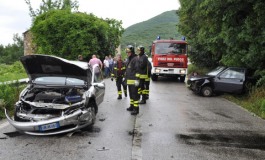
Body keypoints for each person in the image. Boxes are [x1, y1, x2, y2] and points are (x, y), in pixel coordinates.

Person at [125, 45, 140, 115]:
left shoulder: (135, 59)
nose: (127, 53)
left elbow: (137, 70)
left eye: (129, 52)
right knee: (131, 95)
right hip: (129, 80)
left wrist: (137, 79)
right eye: (127, 52)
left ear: (132, 52)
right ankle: (132, 106)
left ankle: (136, 109)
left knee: (135, 95)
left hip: (134, 81)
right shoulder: (129, 59)